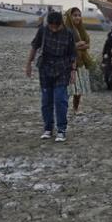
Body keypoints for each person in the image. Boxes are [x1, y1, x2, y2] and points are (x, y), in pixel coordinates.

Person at [25, 11, 77, 143]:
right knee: (46, 101)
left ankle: (61, 130)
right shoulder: (43, 31)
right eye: (51, 25)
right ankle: (48, 128)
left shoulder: (69, 33)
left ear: (61, 24)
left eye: (56, 26)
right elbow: (34, 47)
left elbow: (73, 54)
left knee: (60, 100)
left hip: (62, 69)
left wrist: (73, 71)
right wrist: (28, 64)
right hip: (45, 69)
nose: (53, 28)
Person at [64, 8, 92, 114]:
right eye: (75, 15)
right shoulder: (65, 30)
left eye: (79, 15)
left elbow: (88, 44)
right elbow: (64, 47)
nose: (77, 17)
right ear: (69, 17)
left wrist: (78, 46)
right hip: (68, 63)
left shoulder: (81, 29)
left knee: (79, 88)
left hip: (81, 61)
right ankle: (63, 108)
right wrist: (78, 45)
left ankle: (75, 108)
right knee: (67, 87)